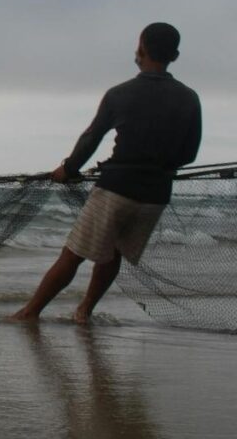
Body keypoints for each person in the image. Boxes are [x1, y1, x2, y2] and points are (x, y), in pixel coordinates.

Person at [11, 23, 201, 323]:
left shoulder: (119, 94)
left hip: (116, 189)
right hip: (155, 196)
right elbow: (189, 154)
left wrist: (68, 169)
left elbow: (91, 138)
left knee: (73, 254)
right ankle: (85, 311)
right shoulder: (190, 98)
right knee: (114, 254)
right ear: (175, 55)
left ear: (141, 49)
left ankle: (29, 313)